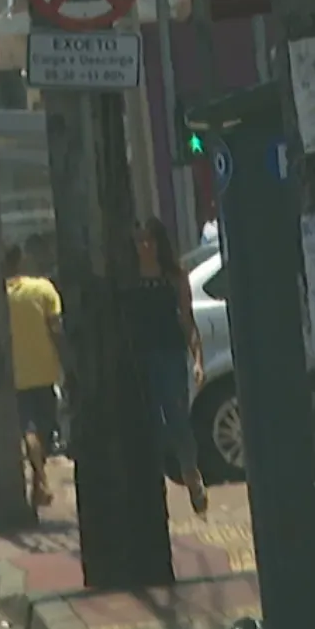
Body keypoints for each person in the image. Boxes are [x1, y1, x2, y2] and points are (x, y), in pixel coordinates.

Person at [125, 216, 209, 516]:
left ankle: (191, 474)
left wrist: (197, 360)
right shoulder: (129, 278)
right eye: (140, 240)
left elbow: (187, 320)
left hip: (171, 355)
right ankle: (156, 486)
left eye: (151, 239)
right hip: (141, 358)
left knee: (178, 420)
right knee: (150, 425)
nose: (145, 246)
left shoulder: (174, 277)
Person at [5, 244, 65, 507]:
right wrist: (66, 362)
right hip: (45, 372)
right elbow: (56, 330)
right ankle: (40, 479)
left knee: (30, 431)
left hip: (16, 376)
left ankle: (38, 482)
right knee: (42, 431)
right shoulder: (43, 290)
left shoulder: (0, 296)